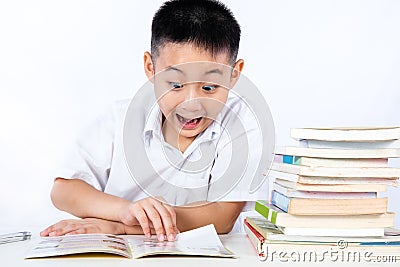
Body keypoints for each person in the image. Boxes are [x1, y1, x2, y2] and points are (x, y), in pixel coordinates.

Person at [41, 0, 266, 242]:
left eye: (209, 87)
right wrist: (124, 211)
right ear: (150, 67)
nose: (191, 103)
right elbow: (63, 190)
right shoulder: (120, 118)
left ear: (234, 74)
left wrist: (121, 227)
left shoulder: (242, 122)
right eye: (176, 85)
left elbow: (222, 217)